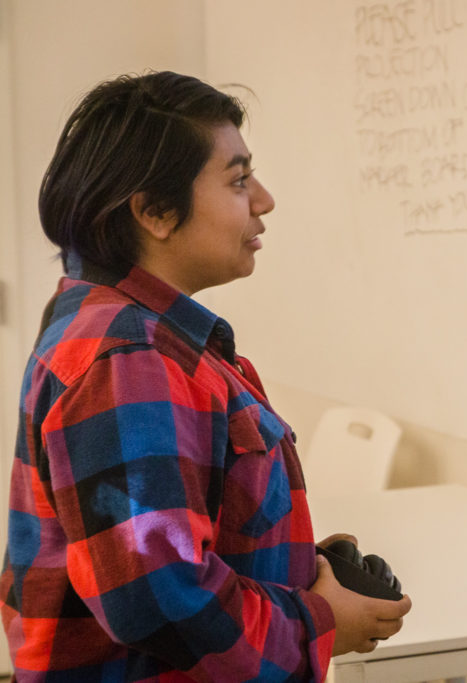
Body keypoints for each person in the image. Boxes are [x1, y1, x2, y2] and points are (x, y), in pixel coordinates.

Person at [0, 71, 411, 681]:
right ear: (155, 212)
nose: (264, 199)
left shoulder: (136, 331)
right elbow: (160, 597)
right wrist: (318, 620)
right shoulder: (128, 358)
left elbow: (179, 533)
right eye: (239, 180)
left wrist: (297, 569)